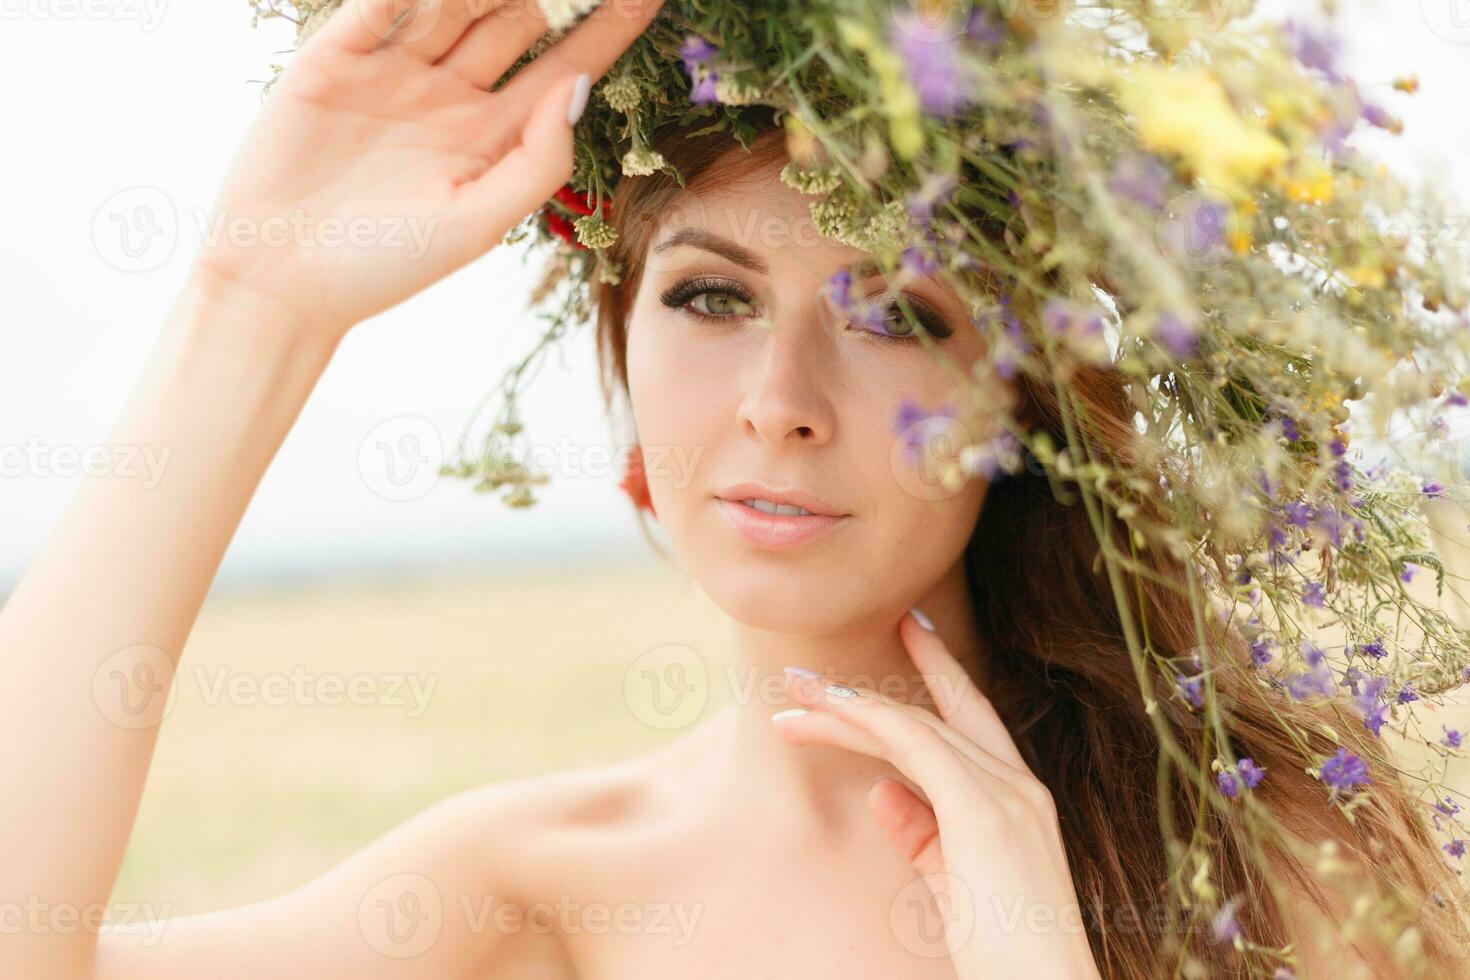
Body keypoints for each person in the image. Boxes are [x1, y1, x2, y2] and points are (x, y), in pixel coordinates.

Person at [0, 1, 1461, 977]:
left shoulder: (1258, 847)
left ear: (1019, 398)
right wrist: (251, 304)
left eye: (894, 312)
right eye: (709, 299)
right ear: (622, 356)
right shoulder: (538, 891)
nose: (778, 402)